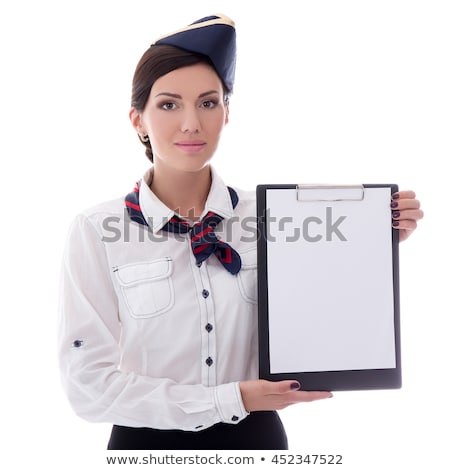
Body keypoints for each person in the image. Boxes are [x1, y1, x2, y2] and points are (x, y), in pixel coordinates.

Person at [58, 14, 424, 450]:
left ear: (227, 113)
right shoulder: (97, 231)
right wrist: (227, 399)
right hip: (144, 445)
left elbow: (321, 316)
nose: (191, 123)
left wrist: (371, 249)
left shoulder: (276, 215)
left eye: (208, 102)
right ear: (137, 119)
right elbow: (88, 387)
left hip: (257, 441)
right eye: (169, 104)